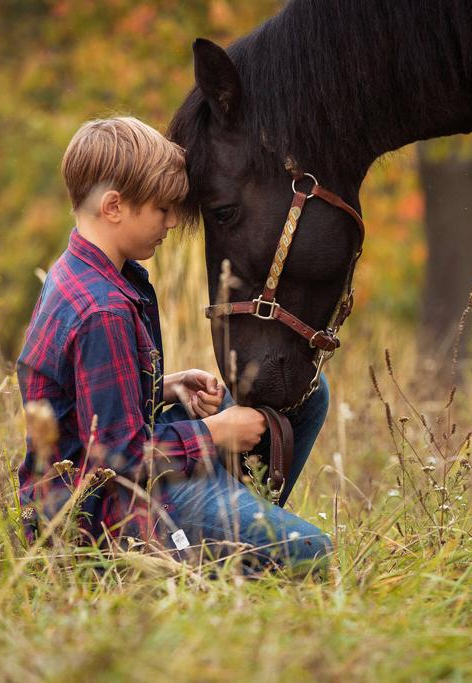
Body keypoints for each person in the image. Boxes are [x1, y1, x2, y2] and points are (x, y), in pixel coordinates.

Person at [16, 116, 331, 572]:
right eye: (162, 210)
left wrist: (163, 386)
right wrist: (216, 433)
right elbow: (117, 458)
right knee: (314, 553)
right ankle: (225, 542)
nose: (172, 222)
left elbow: (83, 403)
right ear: (114, 207)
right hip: (105, 517)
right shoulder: (101, 309)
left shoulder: (85, 274)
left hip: (124, 476)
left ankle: (239, 520)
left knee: (305, 393)